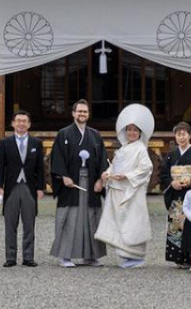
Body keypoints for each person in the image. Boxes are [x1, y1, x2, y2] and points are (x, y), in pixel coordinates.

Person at [95, 103, 154, 268]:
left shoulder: (141, 149)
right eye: (129, 129)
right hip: (118, 190)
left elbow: (146, 169)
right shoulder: (122, 149)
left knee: (132, 223)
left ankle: (136, 257)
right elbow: (113, 166)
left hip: (131, 192)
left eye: (135, 130)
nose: (132, 133)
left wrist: (127, 176)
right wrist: (107, 173)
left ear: (140, 133)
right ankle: (125, 256)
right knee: (119, 223)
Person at [50, 99, 107, 267]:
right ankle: (65, 256)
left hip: (91, 184)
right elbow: (57, 158)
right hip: (71, 183)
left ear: (88, 114)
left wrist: (100, 180)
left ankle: (91, 256)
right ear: (73, 113)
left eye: (85, 112)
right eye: (79, 111)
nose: (82, 114)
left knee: (91, 219)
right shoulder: (64, 134)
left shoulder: (95, 135)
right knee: (69, 218)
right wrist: (63, 176)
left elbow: (103, 159)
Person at [0, 110, 44, 268]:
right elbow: (0, 167)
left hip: (29, 187)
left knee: (29, 223)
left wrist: (40, 187)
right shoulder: (5, 143)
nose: (21, 124)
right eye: (18, 121)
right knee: (10, 223)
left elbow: (40, 168)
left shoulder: (36, 143)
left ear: (29, 124)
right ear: (13, 124)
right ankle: (10, 257)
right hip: (11, 186)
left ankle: (28, 257)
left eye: (24, 121)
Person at [159, 121, 191, 267]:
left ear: (189, 136)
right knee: (176, 225)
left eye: (184, 134)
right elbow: (164, 174)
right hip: (176, 195)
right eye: (178, 134)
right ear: (175, 136)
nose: (181, 137)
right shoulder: (171, 155)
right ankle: (178, 258)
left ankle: (190, 258)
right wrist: (171, 182)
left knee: (190, 225)